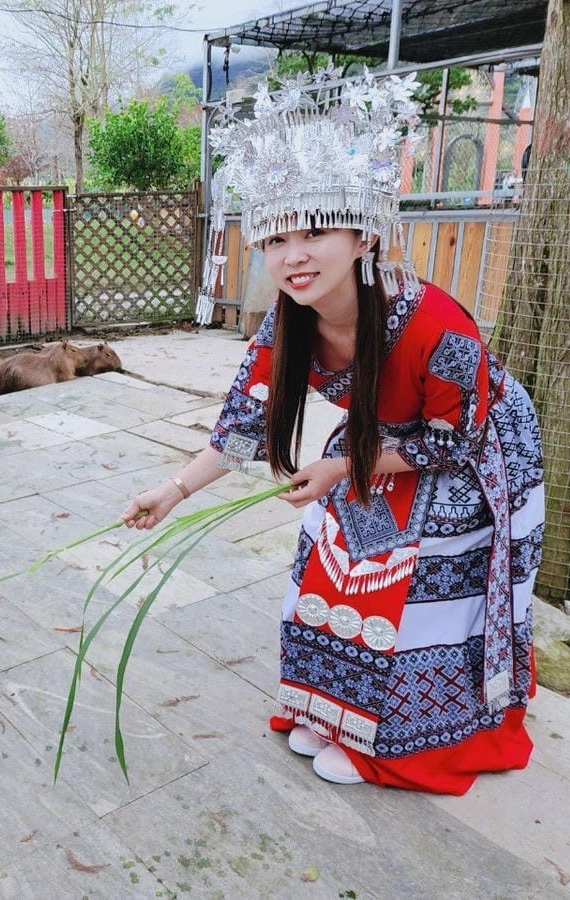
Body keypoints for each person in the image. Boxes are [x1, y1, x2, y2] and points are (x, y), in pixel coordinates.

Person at [122, 71, 544, 796]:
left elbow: (458, 438)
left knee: (409, 556)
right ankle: (334, 709)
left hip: (476, 455)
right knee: (334, 544)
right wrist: (172, 490)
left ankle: (401, 737)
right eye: (277, 238)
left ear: (363, 234)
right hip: (386, 442)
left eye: (316, 230)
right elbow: (242, 426)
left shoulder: (436, 326)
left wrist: (349, 468)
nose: (295, 256)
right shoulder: (286, 322)